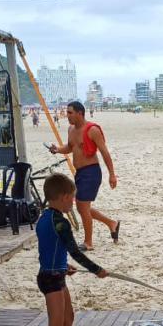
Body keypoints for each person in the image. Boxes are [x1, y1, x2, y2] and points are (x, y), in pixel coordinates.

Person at [30, 173, 108, 326]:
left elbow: (50, 249)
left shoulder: (44, 217)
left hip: (54, 273)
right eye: (72, 198)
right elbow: (75, 252)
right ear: (64, 197)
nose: (73, 202)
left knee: (68, 318)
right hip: (51, 279)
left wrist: (64, 267)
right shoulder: (60, 223)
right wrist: (97, 270)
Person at [47, 101, 120, 251]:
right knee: (83, 208)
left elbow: (105, 152)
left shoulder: (92, 130)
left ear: (80, 113)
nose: (67, 115)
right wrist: (58, 150)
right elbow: (70, 147)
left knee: (82, 206)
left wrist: (112, 174)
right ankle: (111, 223)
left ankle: (88, 243)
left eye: (70, 113)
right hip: (79, 173)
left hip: (91, 172)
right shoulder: (71, 129)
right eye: (67, 112)